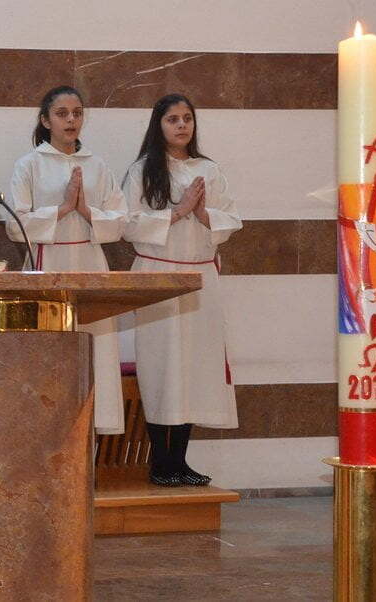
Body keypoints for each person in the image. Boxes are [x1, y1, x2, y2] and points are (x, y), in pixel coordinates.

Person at [121, 93, 242, 486]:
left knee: (193, 369)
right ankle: (160, 462)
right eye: (172, 119)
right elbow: (130, 224)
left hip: (200, 281)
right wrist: (178, 210)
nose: (181, 125)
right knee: (162, 368)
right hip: (158, 278)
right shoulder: (143, 170)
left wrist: (202, 212)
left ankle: (180, 461)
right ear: (159, 125)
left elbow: (230, 220)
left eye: (187, 118)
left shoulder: (209, 169)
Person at [8, 85, 127, 435]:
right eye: (61, 113)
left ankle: (88, 452)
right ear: (46, 120)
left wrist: (86, 211)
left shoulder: (98, 165)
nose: (71, 120)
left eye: (77, 113)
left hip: (90, 263)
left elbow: (120, 220)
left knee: (95, 353)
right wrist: (62, 209)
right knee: (49, 357)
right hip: (49, 265)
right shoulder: (29, 164)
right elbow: (16, 225)